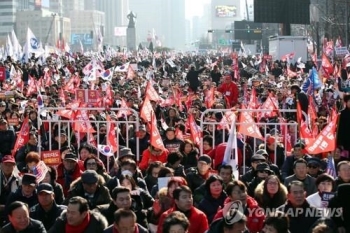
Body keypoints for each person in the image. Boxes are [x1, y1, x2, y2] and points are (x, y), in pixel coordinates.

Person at [0, 155, 19, 226]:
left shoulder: (19, 180)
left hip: (13, 210)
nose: (8, 167)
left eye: (10, 165)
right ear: (1, 165)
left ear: (14, 166)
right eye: (6, 165)